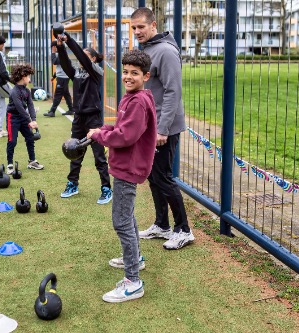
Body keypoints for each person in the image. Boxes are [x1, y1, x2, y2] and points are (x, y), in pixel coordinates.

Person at [88, 49, 156, 303]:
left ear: (146, 76)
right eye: (125, 72)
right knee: (127, 216)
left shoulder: (138, 101)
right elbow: (120, 126)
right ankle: (136, 260)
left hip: (128, 167)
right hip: (124, 165)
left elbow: (126, 136)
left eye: (134, 73)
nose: (128, 77)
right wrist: (103, 128)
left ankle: (133, 282)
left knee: (121, 221)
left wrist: (98, 136)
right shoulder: (131, 97)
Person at [130, 8, 195, 249]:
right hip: (150, 126)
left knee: (164, 177)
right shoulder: (146, 49)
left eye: (141, 27)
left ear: (153, 25)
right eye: (134, 27)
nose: (137, 31)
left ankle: (184, 230)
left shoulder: (166, 51)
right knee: (154, 177)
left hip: (163, 128)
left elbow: (172, 92)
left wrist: (163, 130)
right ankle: (162, 225)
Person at [55, 32, 112, 204]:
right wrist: (60, 46)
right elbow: (65, 65)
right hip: (79, 118)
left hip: (93, 118)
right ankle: (72, 184)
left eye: (86, 57)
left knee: (98, 155)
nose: (81, 59)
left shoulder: (96, 72)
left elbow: (82, 57)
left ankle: (106, 188)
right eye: (81, 57)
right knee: (74, 151)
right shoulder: (78, 74)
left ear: (93, 59)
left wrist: (69, 40)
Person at [5, 64, 44, 174]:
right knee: (12, 141)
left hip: (23, 118)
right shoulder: (14, 92)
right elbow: (20, 108)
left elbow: (30, 105)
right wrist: (30, 121)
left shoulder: (26, 90)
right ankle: (10, 165)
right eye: (28, 76)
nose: (29, 79)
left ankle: (32, 161)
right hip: (12, 118)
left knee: (30, 138)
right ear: (23, 76)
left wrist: (34, 119)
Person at [43, 40, 73, 117]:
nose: (52, 49)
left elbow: (54, 62)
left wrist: (53, 52)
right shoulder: (61, 54)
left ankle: (52, 111)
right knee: (66, 94)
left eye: (52, 47)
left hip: (63, 78)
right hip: (63, 77)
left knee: (58, 94)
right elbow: (61, 68)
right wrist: (53, 77)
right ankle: (71, 109)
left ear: (54, 47)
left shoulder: (61, 54)